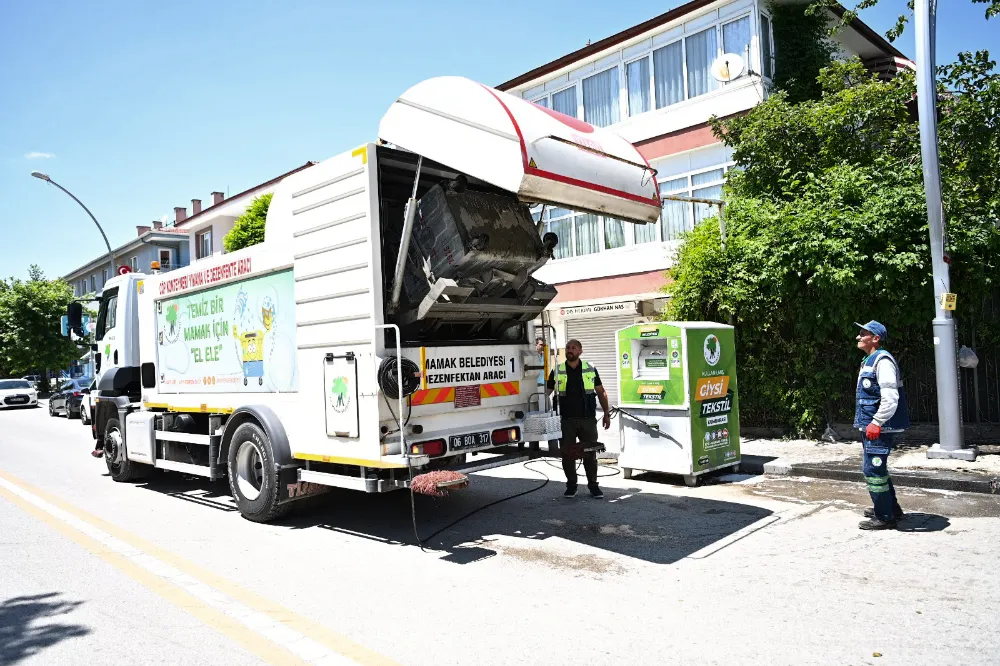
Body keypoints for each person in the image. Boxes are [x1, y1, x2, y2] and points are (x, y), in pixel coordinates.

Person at [853, 320, 908, 530]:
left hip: (879, 427)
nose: (858, 337)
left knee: (873, 470)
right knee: (878, 468)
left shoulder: (882, 361)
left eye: (862, 334)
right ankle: (890, 508)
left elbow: (890, 397)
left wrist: (877, 422)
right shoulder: (870, 360)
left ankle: (885, 516)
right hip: (872, 425)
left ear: (875, 338)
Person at [546, 339, 612, 499]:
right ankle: (571, 486)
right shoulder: (558, 370)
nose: (570, 350)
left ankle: (593, 486)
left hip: (587, 419)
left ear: (580, 351)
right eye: (568, 347)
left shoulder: (590, 368)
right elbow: (546, 393)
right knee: (568, 454)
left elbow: (601, 392)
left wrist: (606, 413)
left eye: (573, 348)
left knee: (589, 453)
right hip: (566, 420)